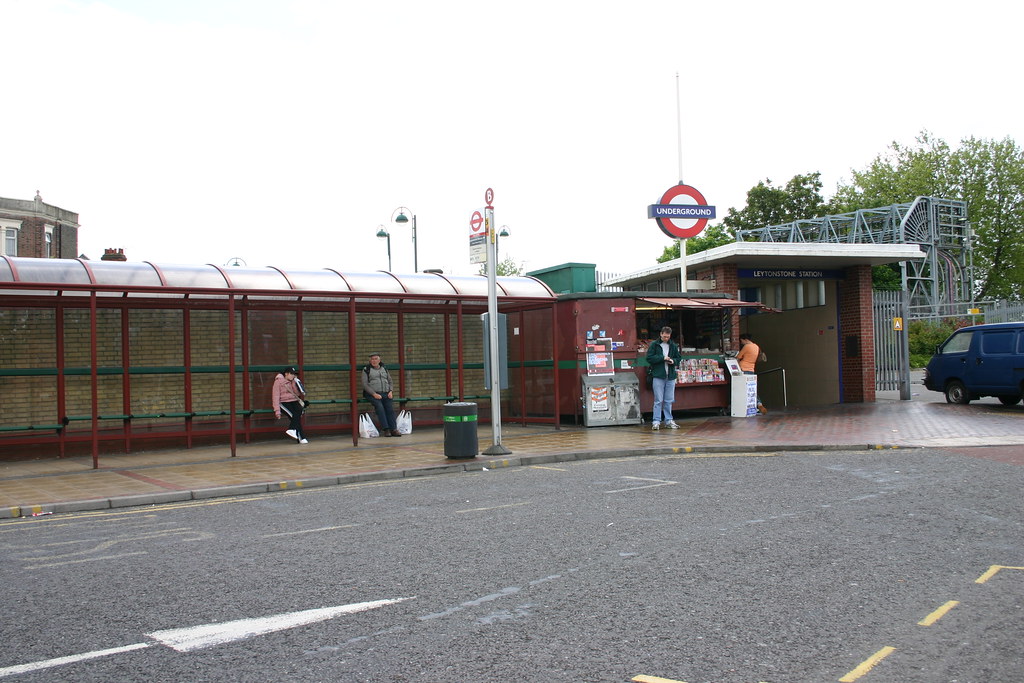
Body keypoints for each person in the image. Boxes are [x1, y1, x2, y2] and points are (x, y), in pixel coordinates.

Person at [645, 326, 683, 430]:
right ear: (661, 334)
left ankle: (668, 420)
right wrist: (662, 358)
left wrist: (673, 361)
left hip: (670, 375)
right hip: (658, 375)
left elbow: (678, 357)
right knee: (658, 400)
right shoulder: (654, 345)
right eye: (664, 336)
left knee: (669, 400)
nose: (666, 338)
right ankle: (656, 421)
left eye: (668, 336)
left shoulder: (673, 345)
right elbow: (649, 358)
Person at [361, 353, 401, 437]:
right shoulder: (366, 369)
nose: (374, 361)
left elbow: (390, 381)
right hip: (372, 394)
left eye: (376, 359)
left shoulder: (384, 368)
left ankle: (393, 429)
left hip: (386, 393)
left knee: (390, 409)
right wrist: (374, 394)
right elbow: (365, 384)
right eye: (372, 359)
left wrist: (390, 391)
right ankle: (386, 429)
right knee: (380, 408)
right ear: (370, 360)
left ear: (379, 360)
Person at [273, 366, 309, 443]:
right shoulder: (278, 382)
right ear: (286, 374)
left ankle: (293, 430)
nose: (293, 375)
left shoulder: (293, 381)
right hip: (283, 402)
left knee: (299, 411)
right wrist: (277, 411)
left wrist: (294, 384)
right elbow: (275, 396)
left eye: (294, 374)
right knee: (294, 416)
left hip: (293, 400)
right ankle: (301, 437)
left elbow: (297, 394)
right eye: (291, 374)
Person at [737, 333, 768, 414]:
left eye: (741, 340)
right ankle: (758, 405)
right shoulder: (756, 346)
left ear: (745, 339)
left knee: (743, 390)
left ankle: (746, 407)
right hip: (751, 370)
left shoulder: (746, 346)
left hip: (743, 368)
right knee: (751, 389)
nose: (741, 342)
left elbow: (738, 357)